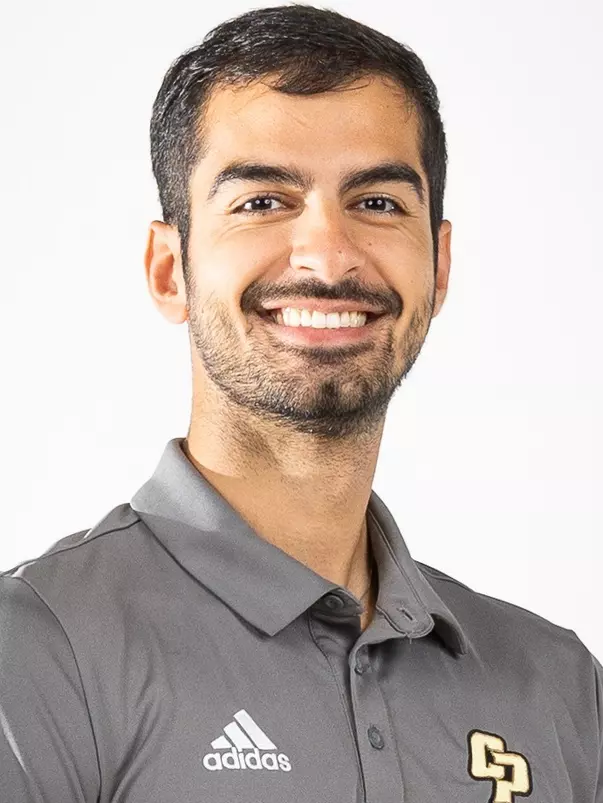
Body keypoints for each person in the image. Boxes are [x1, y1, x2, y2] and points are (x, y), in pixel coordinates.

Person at [1, 4, 601, 802]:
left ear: (438, 266)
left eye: (377, 202)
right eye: (261, 201)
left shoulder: (560, 687)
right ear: (169, 270)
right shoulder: (34, 652)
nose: (326, 256)